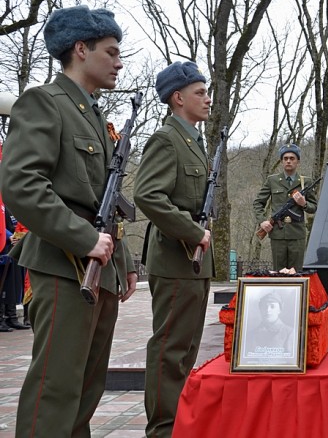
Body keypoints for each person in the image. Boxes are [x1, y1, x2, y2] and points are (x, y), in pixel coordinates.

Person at [0, 5, 137, 437]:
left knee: (85, 390)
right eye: (111, 51)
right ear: (81, 49)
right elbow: (21, 185)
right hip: (63, 266)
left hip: (100, 267)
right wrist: (83, 239)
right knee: (56, 392)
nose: (119, 62)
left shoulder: (94, 114)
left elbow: (105, 199)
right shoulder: (45, 102)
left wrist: (124, 258)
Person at [133, 61, 213, 438]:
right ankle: (163, 429)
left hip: (194, 264)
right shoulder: (167, 138)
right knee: (169, 349)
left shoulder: (193, 141)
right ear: (178, 98)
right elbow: (147, 195)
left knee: (186, 347)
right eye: (200, 92)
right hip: (176, 258)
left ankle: (178, 420)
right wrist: (191, 232)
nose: (208, 99)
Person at [253, 144, 317, 271]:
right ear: (281, 161)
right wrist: (262, 221)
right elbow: (258, 203)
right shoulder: (272, 180)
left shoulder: (306, 182)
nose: (288, 161)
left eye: (292, 158)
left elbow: (314, 207)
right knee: (278, 273)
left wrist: (303, 203)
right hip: (277, 233)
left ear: (298, 161)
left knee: (296, 273)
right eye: (285, 158)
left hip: (297, 234)